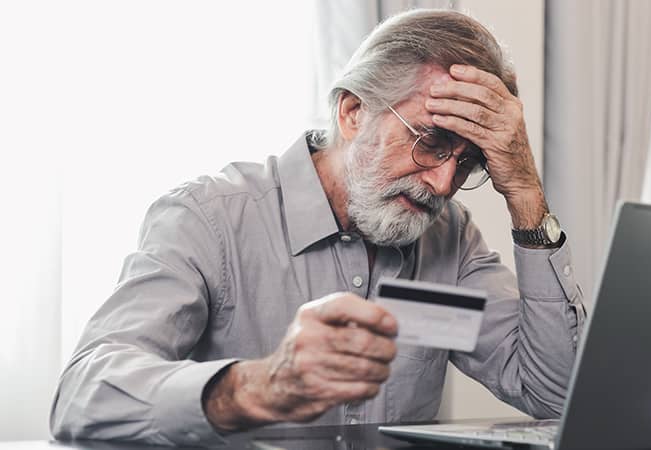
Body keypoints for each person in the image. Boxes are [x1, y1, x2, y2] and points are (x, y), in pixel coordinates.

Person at [50, 9, 585, 446]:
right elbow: (82, 395)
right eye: (430, 141)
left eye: (468, 163)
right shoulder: (210, 218)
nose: (444, 184)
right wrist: (256, 387)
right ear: (353, 112)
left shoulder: (449, 239)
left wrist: (524, 192)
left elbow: (556, 396)